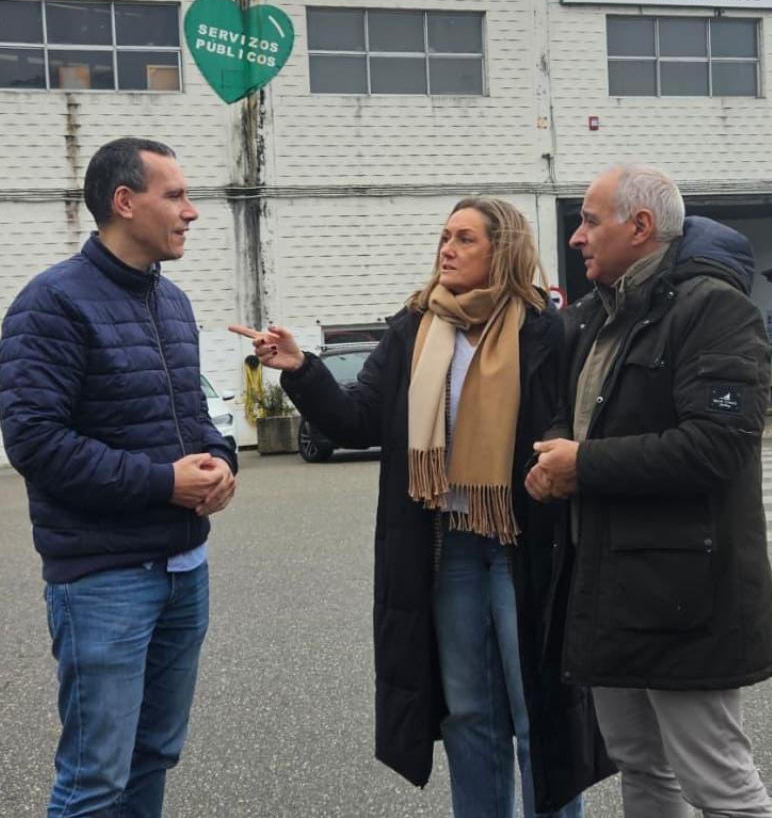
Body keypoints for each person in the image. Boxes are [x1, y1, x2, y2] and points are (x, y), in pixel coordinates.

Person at [234, 198, 611, 817]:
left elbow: (576, 425)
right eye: (444, 237)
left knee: (537, 711)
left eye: (465, 239)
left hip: (526, 544)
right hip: (450, 547)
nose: (447, 249)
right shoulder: (415, 327)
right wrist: (301, 370)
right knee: (468, 713)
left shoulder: (547, 329)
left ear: (503, 250)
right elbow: (358, 419)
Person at [527, 164, 772, 818]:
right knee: (643, 767)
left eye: (589, 219)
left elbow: (718, 445)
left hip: (684, 596)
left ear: (640, 227)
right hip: (609, 587)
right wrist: (556, 452)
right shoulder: (591, 318)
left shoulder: (714, 311)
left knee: (719, 785)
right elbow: (572, 414)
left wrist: (583, 465)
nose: (577, 236)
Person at [0, 137, 238, 818]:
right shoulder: (51, 304)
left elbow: (194, 411)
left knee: (154, 754)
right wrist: (163, 482)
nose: (191, 212)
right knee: (95, 777)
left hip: (184, 569)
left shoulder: (173, 304)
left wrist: (222, 460)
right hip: (104, 580)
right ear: (124, 203)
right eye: (177, 196)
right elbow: (36, 442)